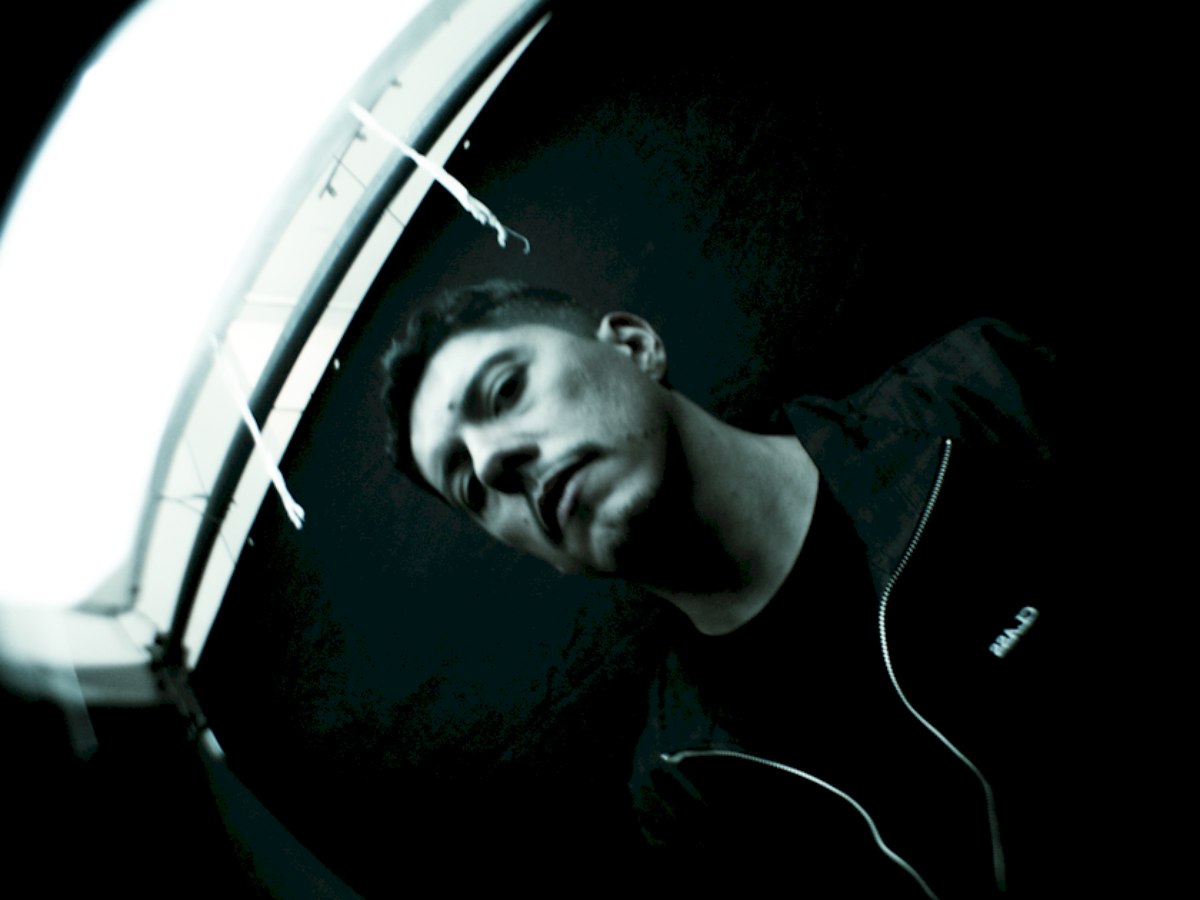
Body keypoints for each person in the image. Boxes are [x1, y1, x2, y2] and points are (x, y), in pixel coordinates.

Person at [380, 279, 1064, 898]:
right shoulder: (686, 795)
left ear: (635, 347)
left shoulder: (984, 393)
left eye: (505, 391)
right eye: (469, 486)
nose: (492, 464)